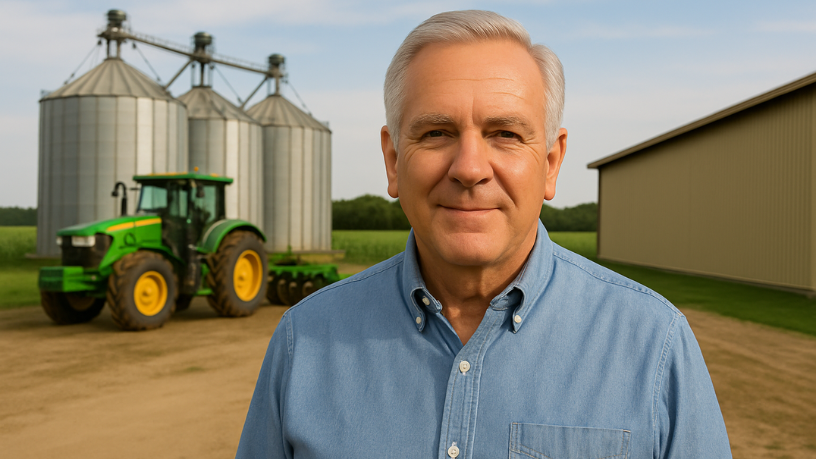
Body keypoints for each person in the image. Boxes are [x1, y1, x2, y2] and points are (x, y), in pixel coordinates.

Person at [236, 10, 732, 459]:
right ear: (392, 160)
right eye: (436, 133)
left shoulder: (654, 343)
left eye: (506, 134)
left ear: (552, 163)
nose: (470, 168)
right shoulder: (304, 340)